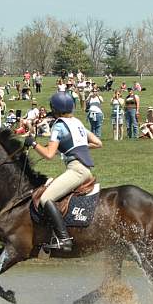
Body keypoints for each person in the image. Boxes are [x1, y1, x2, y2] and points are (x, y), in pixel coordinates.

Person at [24, 92, 103, 252]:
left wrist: (33, 143)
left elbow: (48, 154)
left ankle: (64, 240)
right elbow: (98, 142)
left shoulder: (59, 125)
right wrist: (77, 147)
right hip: (85, 170)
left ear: (55, 109)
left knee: (46, 198)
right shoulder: (77, 122)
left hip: (76, 171)